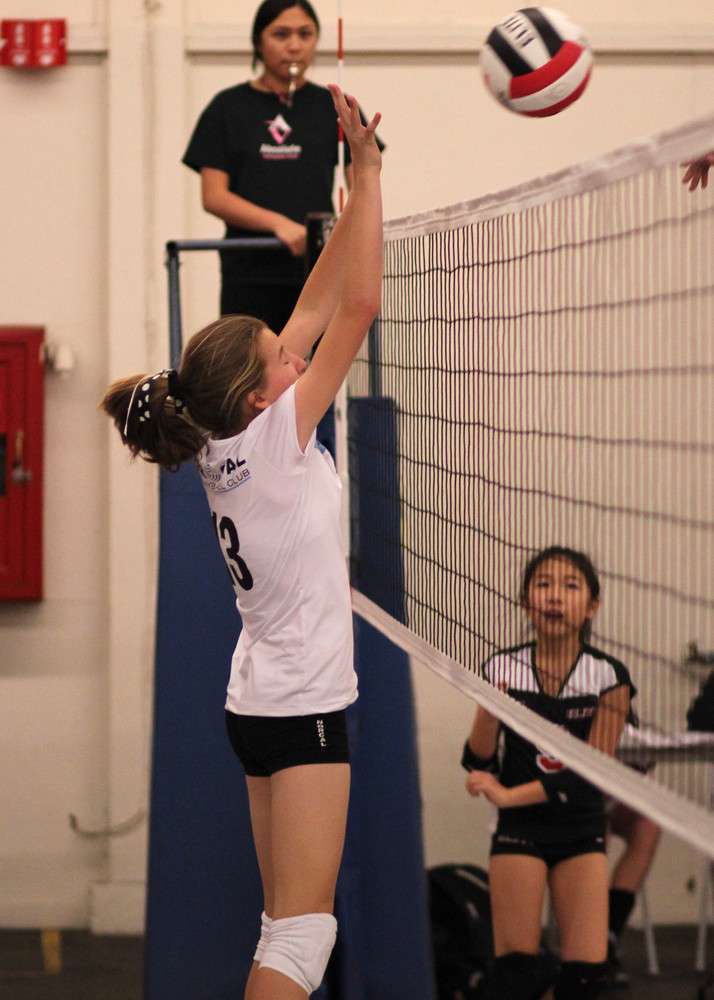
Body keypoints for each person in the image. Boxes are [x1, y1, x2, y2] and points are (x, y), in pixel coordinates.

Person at [103, 87, 383, 1000]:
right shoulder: (276, 435)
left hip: (259, 700)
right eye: (283, 357)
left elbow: (317, 299)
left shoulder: (227, 430)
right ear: (263, 394)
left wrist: (352, 193)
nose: (295, 354)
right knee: (302, 933)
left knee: (283, 925)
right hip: (297, 702)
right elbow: (358, 307)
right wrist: (372, 174)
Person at [461, 546, 635, 1000]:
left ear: (592, 606)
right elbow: (478, 762)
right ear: (526, 603)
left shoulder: (609, 677)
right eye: (543, 585)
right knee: (515, 976)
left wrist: (507, 795)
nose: (555, 595)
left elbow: (589, 775)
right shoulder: (502, 668)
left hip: (580, 827)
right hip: (521, 831)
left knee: (585, 980)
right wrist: (489, 708)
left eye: (570, 586)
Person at [182, 0, 383, 330]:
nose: (294, 46)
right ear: (258, 42)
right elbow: (214, 196)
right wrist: (279, 225)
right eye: (281, 34)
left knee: (316, 362)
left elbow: (362, 188)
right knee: (253, 362)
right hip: (249, 274)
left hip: (321, 271)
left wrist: (366, 167)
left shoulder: (335, 107)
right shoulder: (227, 107)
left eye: (305, 34)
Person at [605, 802, 662, 986]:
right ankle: (585, 942)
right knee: (596, 825)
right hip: (570, 800)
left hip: (612, 800)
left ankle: (609, 936)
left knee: (649, 826)